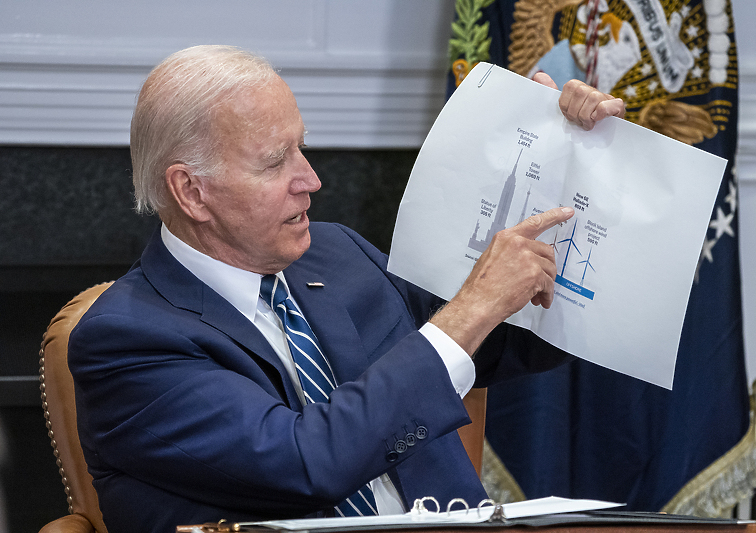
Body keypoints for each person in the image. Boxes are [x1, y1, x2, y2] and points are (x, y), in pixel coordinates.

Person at [68, 45, 625, 533]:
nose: (310, 179)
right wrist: (472, 306)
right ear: (191, 192)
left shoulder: (337, 254)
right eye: (273, 162)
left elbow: (506, 342)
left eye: (301, 148)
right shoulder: (128, 340)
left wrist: (565, 167)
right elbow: (308, 462)